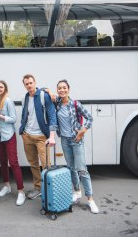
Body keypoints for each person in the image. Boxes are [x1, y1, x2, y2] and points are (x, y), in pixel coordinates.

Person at [46, 79, 99, 214]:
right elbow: (51, 96)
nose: (62, 90)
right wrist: (49, 92)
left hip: (76, 140)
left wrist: (82, 131)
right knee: (71, 168)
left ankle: (90, 199)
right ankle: (77, 191)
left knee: (82, 170)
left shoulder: (76, 104)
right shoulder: (57, 103)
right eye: (59, 88)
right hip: (64, 140)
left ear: (68, 89)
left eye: (64, 88)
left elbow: (90, 118)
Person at [19, 74, 57, 199]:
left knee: (46, 164)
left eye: (31, 83)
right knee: (33, 164)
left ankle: (50, 188)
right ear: (24, 85)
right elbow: (25, 115)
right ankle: (38, 188)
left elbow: (52, 116)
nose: (29, 85)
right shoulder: (25, 98)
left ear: (35, 82)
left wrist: (51, 136)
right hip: (28, 136)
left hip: (42, 137)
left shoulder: (44, 96)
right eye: (26, 84)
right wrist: (22, 131)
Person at [0, 80, 26, 206]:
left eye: (1, 87)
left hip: (9, 135)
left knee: (14, 163)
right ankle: (7, 186)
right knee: (2, 162)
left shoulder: (8, 101)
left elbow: (13, 119)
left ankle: (21, 192)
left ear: (5, 89)